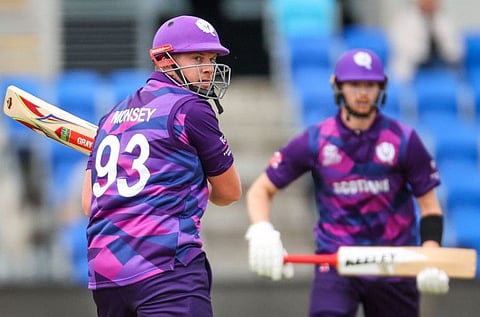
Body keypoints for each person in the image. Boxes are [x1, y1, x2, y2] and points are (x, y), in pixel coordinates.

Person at [245, 49, 449, 317]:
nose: (363, 93)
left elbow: (430, 207)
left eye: (370, 85)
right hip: (337, 262)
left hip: (393, 265)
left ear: (381, 88)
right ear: (338, 87)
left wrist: (430, 256)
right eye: (354, 85)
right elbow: (261, 190)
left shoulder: (404, 140)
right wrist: (262, 231)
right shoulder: (316, 140)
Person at [81, 15, 242, 317]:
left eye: (210, 58)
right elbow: (230, 191)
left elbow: (89, 203)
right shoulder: (191, 109)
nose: (208, 67)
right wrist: (192, 180)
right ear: (164, 59)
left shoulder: (111, 117)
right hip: (167, 269)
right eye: (197, 57)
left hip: (106, 277)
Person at [388, 0, 464, 83]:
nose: (430, 2)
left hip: (441, 67)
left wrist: (442, 44)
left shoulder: (445, 20)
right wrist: (425, 45)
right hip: (414, 69)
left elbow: (457, 51)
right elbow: (400, 48)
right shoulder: (403, 20)